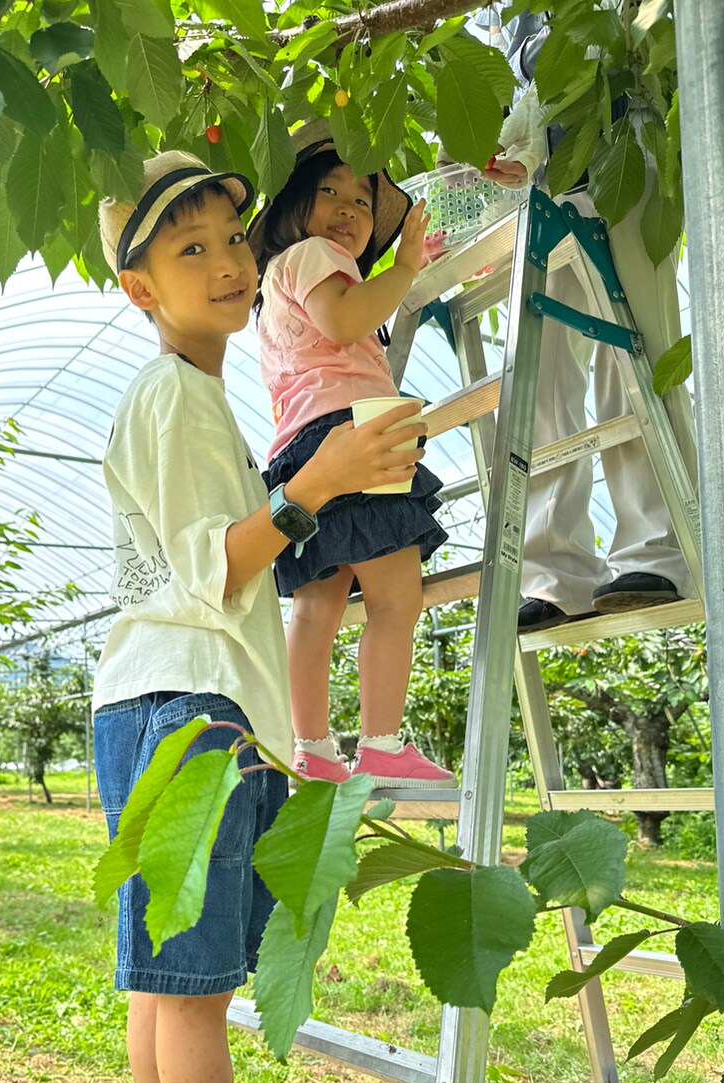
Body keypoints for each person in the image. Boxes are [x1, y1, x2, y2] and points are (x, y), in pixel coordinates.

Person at [94, 151, 426, 1083]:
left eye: (232, 239)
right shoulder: (173, 396)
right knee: (191, 989)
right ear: (142, 289)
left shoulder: (191, 399)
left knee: (160, 980)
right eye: (189, 249)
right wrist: (317, 483)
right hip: (187, 709)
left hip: (158, 702)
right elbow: (215, 566)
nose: (228, 263)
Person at [250, 121, 455, 787]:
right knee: (397, 597)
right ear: (294, 207)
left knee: (316, 608)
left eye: (362, 202)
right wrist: (404, 269)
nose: (348, 209)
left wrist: (407, 270)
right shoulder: (316, 257)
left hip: (302, 453)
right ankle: (381, 742)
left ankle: (311, 747)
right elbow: (345, 320)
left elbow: (342, 317)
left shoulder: (279, 281)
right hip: (353, 437)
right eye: (330, 192)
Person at [484, 13, 698, 631]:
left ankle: (660, 550)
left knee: (634, 359)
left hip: (625, 152)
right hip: (547, 190)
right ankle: (558, 573)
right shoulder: (504, 17)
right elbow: (529, 92)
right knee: (541, 382)